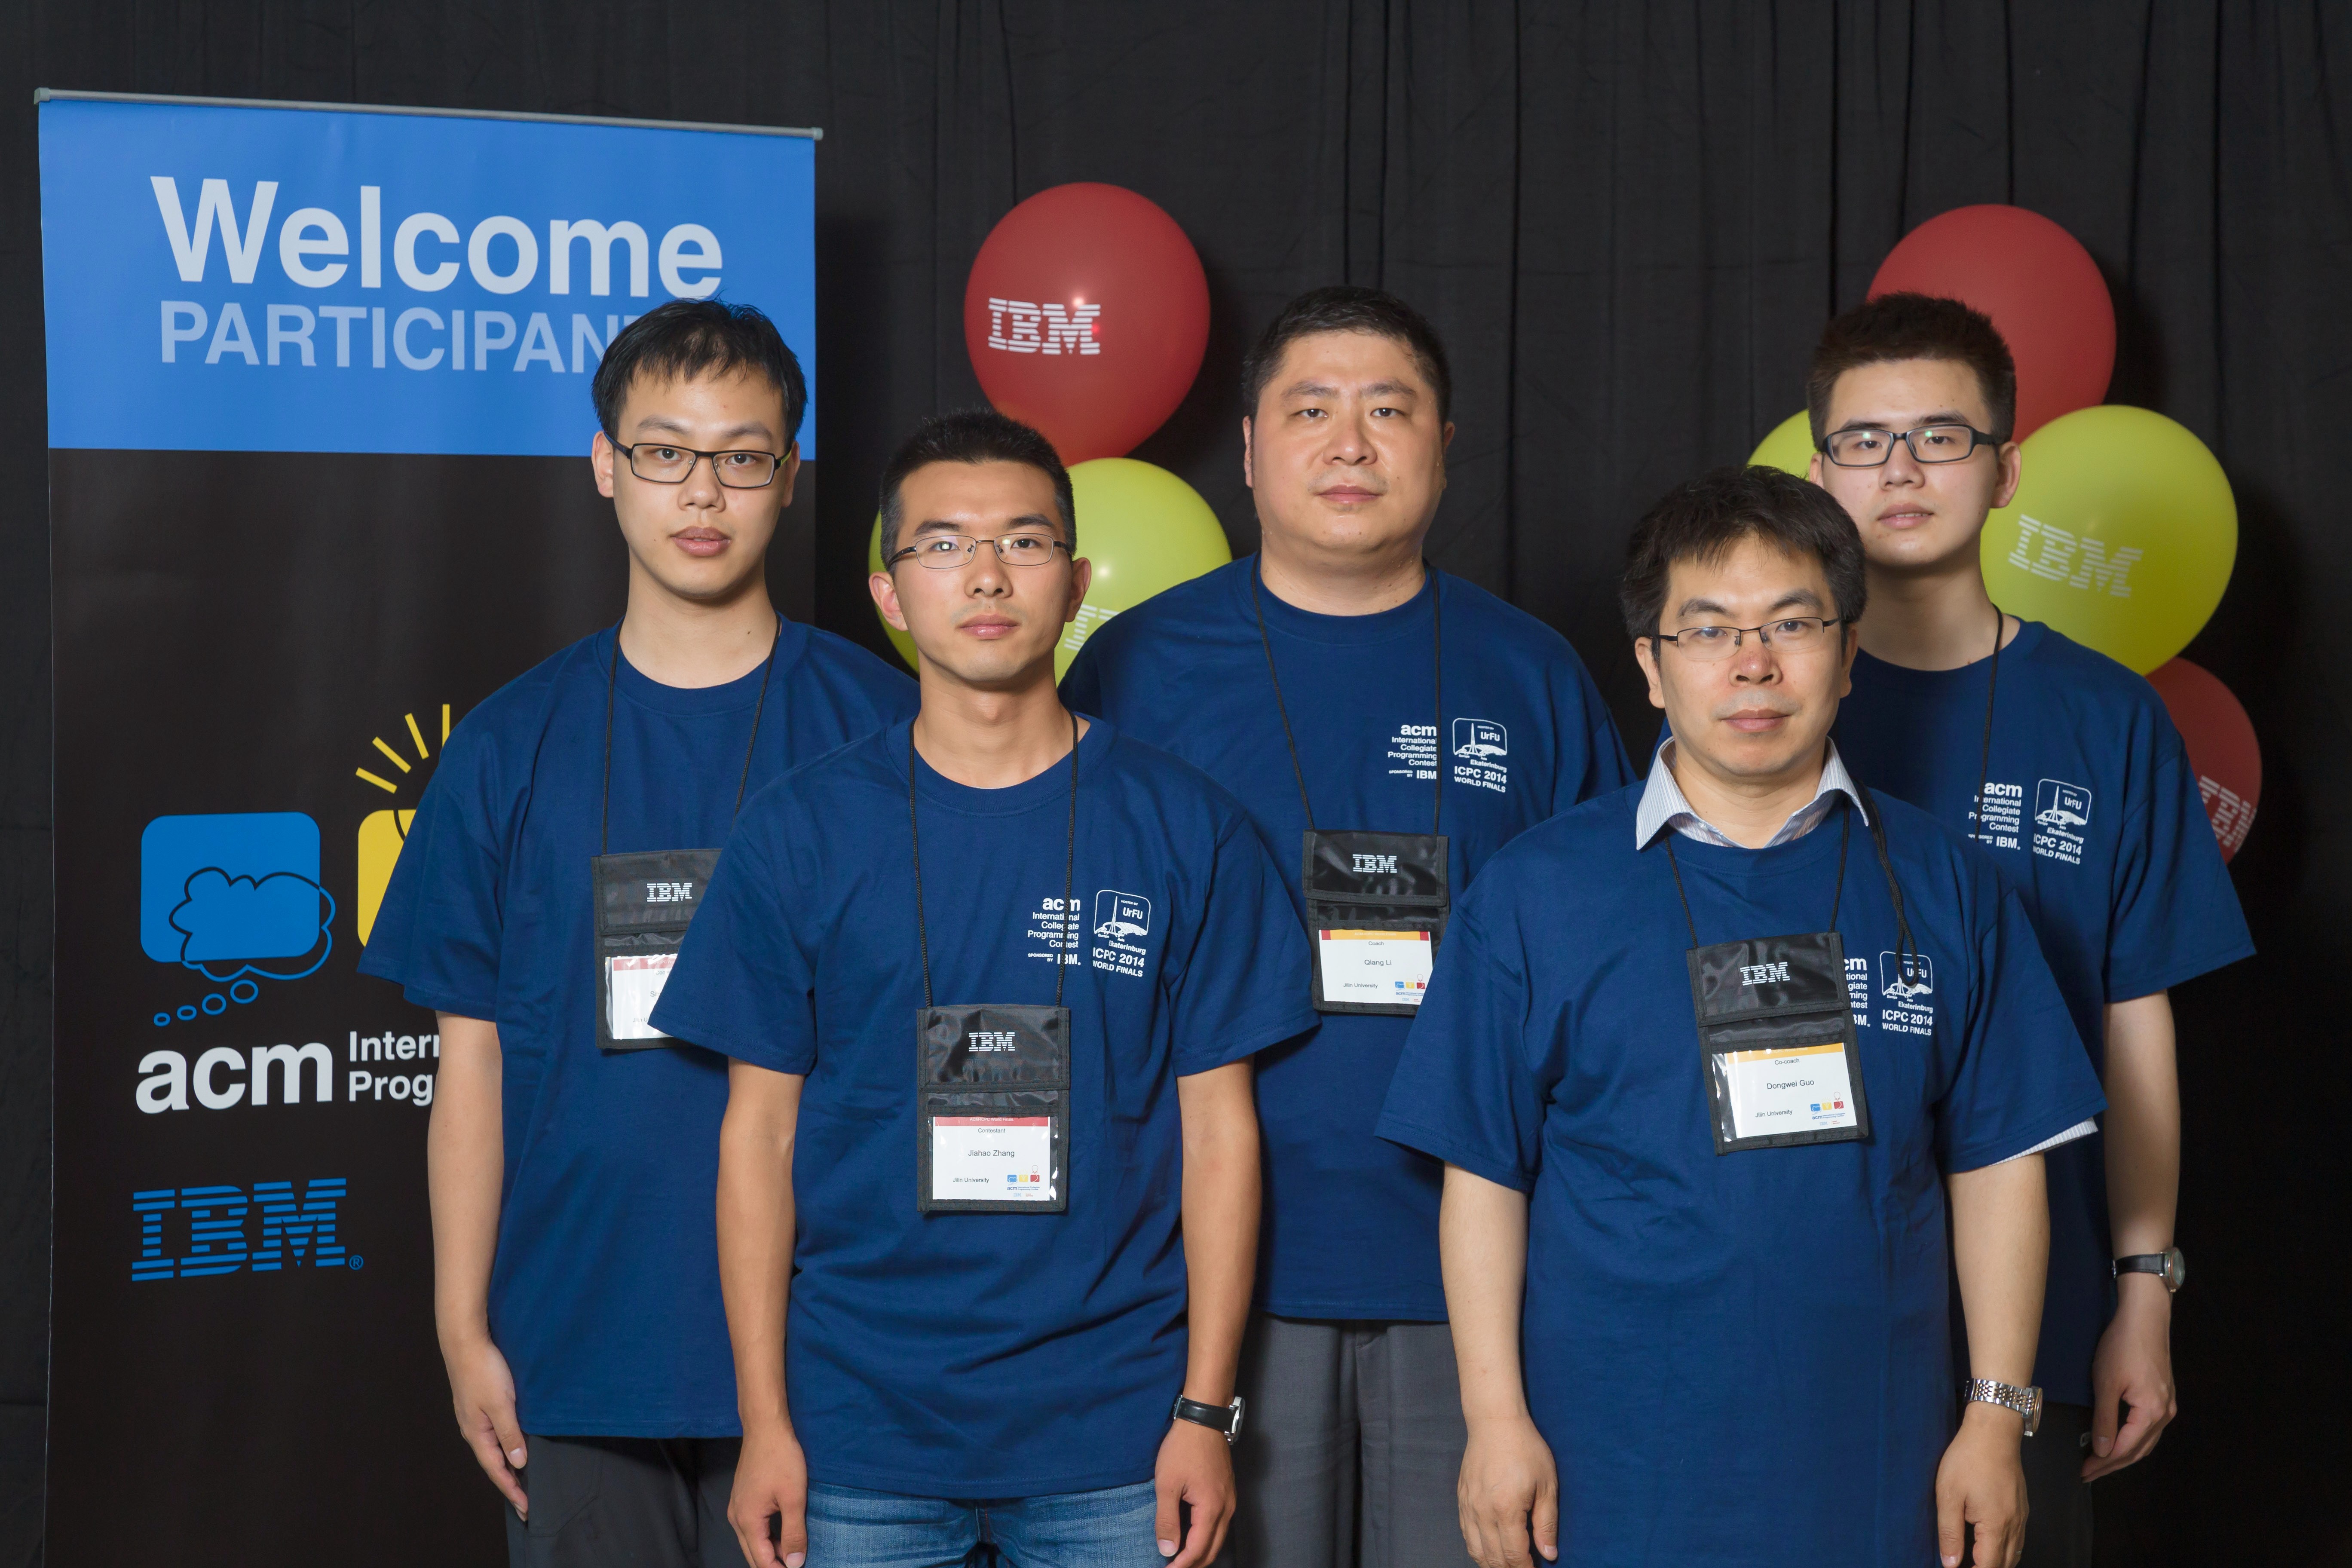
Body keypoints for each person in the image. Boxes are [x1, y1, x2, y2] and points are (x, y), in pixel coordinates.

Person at [1378, 465, 2109, 1568]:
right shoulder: (1536, 891)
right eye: (1710, 630)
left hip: (1880, 1453)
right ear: (1651, 666)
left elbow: (2002, 1163)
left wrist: (1996, 1419)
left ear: (1850, 654)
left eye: (1793, 625)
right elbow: (1483, 1175)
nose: (1753, 664)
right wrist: (1495, 1422)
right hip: (1610, 1456)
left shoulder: (1946, 883)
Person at [649, 410, 1314, 1568]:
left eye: (1025, 541)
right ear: (892, 593)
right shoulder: (800, 830)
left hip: (1116, 1436)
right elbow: (758, 1139)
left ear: (1077, 582)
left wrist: (1206, 1414)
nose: (988, 575)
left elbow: (1220, 1136)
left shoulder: (1187, 828)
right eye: (945, 545)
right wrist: (766, 1424)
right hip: (860, 1438)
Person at [1063, 285, 1631, 1568]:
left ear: (1445, 445)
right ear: (1250, 449)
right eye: (1310, 410)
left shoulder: (1532, 675)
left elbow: (1611, 975)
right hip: (1206, 1283)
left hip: (1481, 1280)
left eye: (1390, 410)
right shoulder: (1137, 671)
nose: (1351, 444)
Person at [358, 300, 916, 1568]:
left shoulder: (888, 732)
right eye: (665, 451)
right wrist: (461, 1330)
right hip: (578, 1343)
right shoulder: (506, 745)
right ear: (606, 466)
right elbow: (471, 1063)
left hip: (837, 1348)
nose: (701, 491)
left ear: (791, 476)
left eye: (742, 456)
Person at [1809, 293, 2254, 1563]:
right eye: (1865, 441)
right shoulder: (1756, 695)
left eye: (1941, 438)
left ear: (2007, 472)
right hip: (1800, 1284)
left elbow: (2135, 1015)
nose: (1901, 470)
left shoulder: (2106, 718)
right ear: (1820, 474)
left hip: (2035, 1305)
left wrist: (2144, 1289)